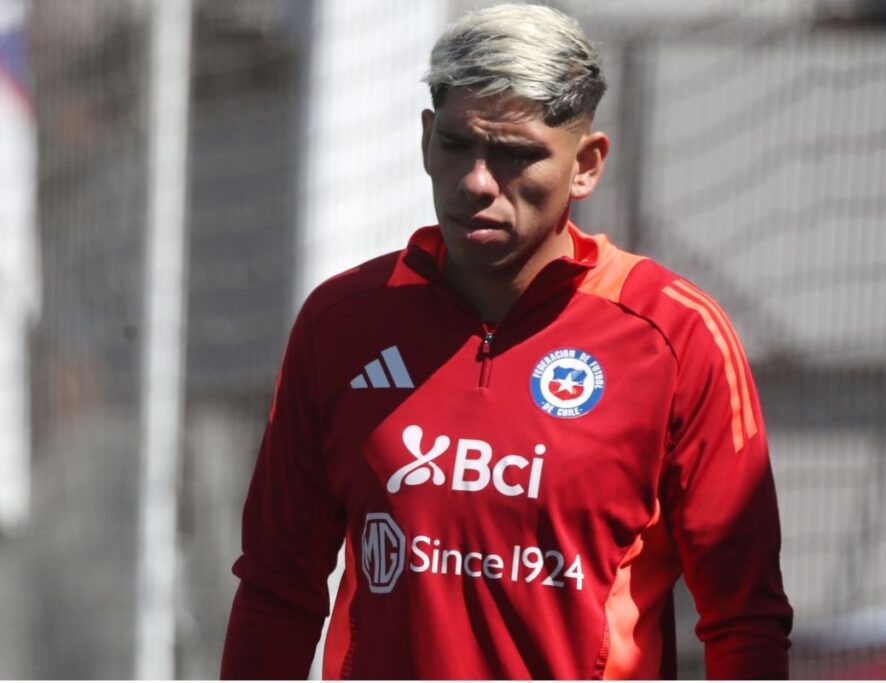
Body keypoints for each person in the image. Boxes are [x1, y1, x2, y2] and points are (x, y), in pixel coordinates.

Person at [221, 3, 792, 679]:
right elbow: (277, 590)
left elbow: (744, 618)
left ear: (586, 164)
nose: (476, 183)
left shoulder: (676, 335)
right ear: (425, 139)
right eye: (457, 144)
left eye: (516, 155)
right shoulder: (341, 323)